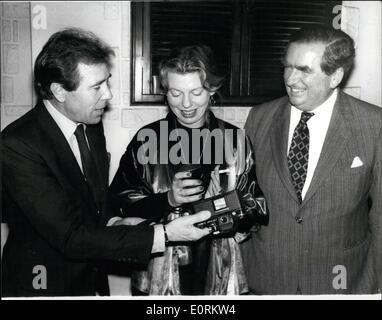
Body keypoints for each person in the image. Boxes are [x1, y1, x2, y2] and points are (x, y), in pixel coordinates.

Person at [1, 28, 211, 297]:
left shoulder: (90, 124)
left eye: (107, 82)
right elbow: (71, 237)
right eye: (96, 87)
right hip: (42, 286)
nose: (108, 95)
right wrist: (166, 234)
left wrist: (114, 221)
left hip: (92, 283)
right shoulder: (18, 145)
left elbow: (95, 203)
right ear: (59, 91)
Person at [109, 45, 268, 295]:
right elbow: (120, 204)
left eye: (196, 92)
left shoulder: (235, 140)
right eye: (175, 93)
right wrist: (168, 199)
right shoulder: (147, 139)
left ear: (212, 90)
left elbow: (256, 207)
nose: (186, 104)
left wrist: (227, 210)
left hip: (219, 267)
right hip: (159, 269)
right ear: (165, 92)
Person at [242, 25, 382, 294]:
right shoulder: (259, 118)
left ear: (335, 76)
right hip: (267, 279)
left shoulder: (373, 126)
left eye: (304, 70)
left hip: (341, 282)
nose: (291, 79)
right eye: (288, 67)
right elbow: (246, 195)